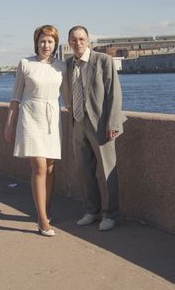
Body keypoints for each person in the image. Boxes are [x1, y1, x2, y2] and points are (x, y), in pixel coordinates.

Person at [4, 25, 68, 237]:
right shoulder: (25, 64)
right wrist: (9, 125)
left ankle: (46, 210)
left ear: (55, 44)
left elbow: (67, 97)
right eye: (42, 41)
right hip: (31, 116)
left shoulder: (61, 66)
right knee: (39, 168)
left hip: (52, 117)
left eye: (50, 41)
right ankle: (41, 220)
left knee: (50, 168)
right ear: (36, 42)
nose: (46, 45)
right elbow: (15, 97)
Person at [66, 25, 127, 231]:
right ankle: (92, 211)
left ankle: (111, 215)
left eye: (81, 39)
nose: (78, 43)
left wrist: (112, 123)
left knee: (108, 170)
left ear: (88, 40)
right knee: (84, 170)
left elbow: (114, 94)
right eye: (74, 40)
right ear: (69, 43)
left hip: (101, 124)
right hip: (78, 123)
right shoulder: (67, 64)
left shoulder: (103, 61)